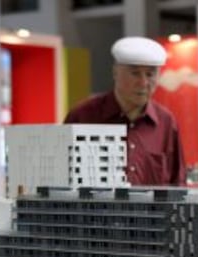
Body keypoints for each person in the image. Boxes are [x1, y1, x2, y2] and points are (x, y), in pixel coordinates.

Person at [64, 36, 186, 186]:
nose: (143, 83)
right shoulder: (82, 117)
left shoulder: (166, 122)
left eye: (150, 74)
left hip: (152, 210)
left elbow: (178, 183)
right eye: (135, 73)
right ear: (115, 73)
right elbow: (62, 180)